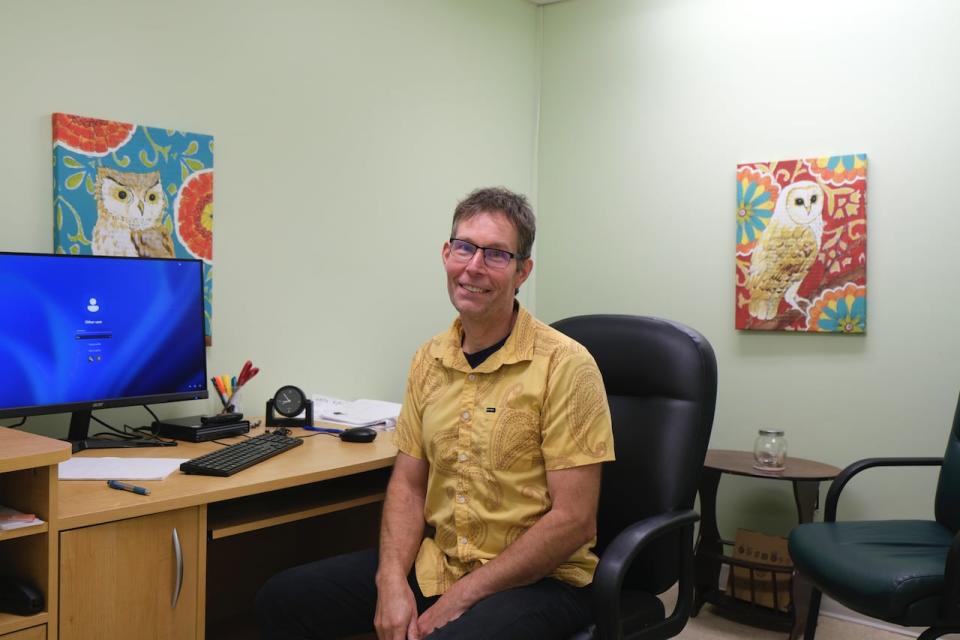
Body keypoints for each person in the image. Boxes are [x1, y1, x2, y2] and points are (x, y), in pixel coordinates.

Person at [256, 187, 615, 639]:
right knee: (283, 599)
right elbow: (408, 485)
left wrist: (461, 598)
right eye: (464, 247)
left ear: (523, 270)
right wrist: (390, 583)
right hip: (440, 564)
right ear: (447, 253)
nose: (474, 267)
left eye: (497, 254)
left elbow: (574, 519)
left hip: (543, 582)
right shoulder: (429, 360)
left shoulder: (566, 365)